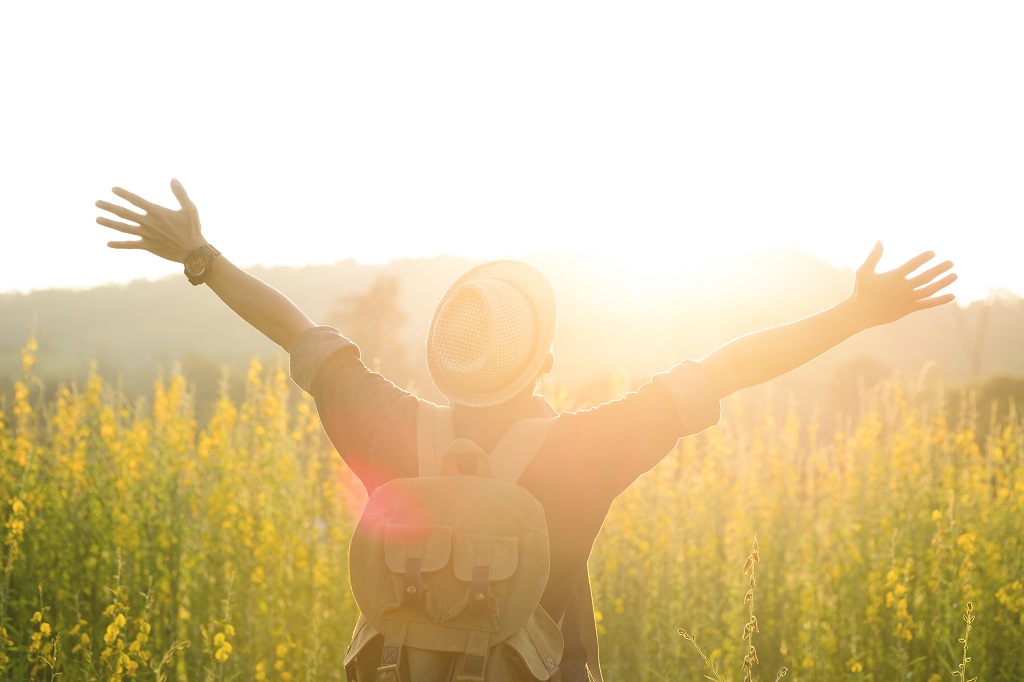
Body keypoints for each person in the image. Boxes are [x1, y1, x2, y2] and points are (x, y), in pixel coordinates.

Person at [96, 178, 957, 681]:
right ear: (542, 362)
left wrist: (200, 259)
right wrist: (852, 314)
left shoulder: (386, 427)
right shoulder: (586, 452)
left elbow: (294, 328)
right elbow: (729, 365)